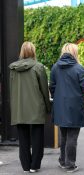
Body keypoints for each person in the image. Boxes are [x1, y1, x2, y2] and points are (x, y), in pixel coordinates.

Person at [9, 42, 51, 173]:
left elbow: (12, 90)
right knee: (37, 137)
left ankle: (26, 166)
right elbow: (44, 89)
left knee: (23, 139)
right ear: (33, 51)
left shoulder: (13, 68)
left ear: (21, 52)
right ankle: (35, 166)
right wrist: (48, 107)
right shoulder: (38, 67)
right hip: (36, 107)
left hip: (19, 108)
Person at [50, 43, 84, 173]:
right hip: (75, 106)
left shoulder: (55, 67)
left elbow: (52, 87)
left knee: (64, 135)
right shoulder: (80, 68)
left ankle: (63, 161)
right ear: (75, 53)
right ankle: (70, 164)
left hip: (60, 105)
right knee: (72, 136)